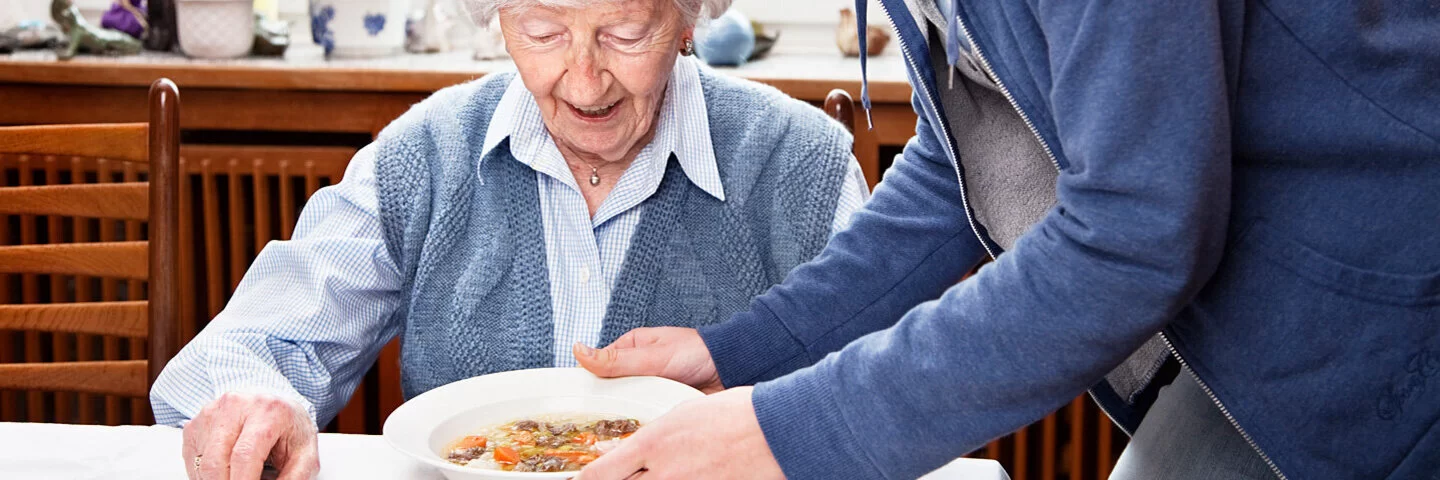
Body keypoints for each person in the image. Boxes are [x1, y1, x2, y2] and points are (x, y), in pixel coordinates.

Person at [572, 0, 1440, 479]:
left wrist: (787, 431)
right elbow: (961, 166)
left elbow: (1135, 234)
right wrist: (740, 353)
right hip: (1256, 340)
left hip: (1388, 305)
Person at [149, 0, 873, 477]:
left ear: (688, 20)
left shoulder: (801, 166)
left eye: (625, 34)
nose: (586, 82)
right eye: (543, 31)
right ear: (497, 18)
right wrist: (253, 399)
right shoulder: (425, 154)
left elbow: (886, 395)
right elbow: (250, 348)